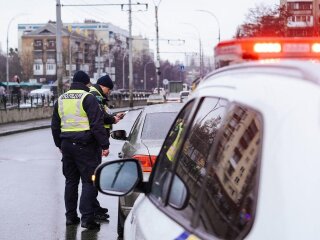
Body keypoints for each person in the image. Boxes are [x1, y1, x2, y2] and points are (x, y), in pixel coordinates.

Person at [51, 70, 110, 230]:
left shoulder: (61, 99)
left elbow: (55, 126)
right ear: (86, 84)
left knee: (70, 182)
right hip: (85, 146)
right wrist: (105, 145)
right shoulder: (88, 98)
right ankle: (87, 219)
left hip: (67, 146)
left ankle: (71, 217)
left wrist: (59, 145)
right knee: (88, 181)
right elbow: (96, 125)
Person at [89, 75, 125, 220]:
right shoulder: (95, 95)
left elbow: (103, 114)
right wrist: (105, 144)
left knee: (91, 178)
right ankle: (92, 211)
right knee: (91, 178)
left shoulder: (96, 95)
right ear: (103, 86)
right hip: (92, 141)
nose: (109, 92)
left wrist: (114, 117)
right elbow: (98, 119)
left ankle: (94, 207)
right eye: (108, 89)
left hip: (89, 141)